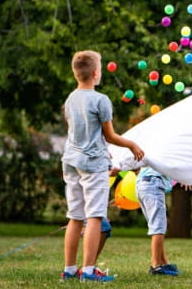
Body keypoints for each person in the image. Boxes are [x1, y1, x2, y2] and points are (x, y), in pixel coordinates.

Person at [60, 50, 144, 282]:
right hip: (92, 164)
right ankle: (87, 272)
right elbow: (110, 135)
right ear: (96, 73)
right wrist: (131, 144)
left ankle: (69, 270)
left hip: (70, 161)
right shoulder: (100, 100)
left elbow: (78, 132)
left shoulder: (70, 99)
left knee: (75, 217)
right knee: (95, 216)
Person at [135, 166, 186, 276]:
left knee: (156, 226)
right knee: (158, 227)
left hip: (142, 184)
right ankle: (156, 266)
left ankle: (163, 263)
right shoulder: (167, 150)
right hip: (153, 183)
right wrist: (184, 178)